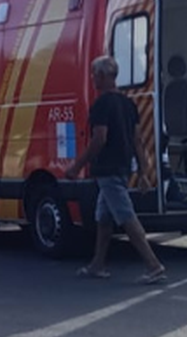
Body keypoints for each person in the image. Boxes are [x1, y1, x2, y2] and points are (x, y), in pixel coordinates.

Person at [67, 56, 166, 284]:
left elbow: (99, 139)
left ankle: (153, 265)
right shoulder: (128, 104)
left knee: (125, 216)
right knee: (103, 217)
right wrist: (142, 172)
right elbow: (138, 140)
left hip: (107, 169)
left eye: (94, 74)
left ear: (102, 76)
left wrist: (78, 165)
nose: (92, 78)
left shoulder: (101, 104)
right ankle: (97, 265)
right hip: (122, 167)